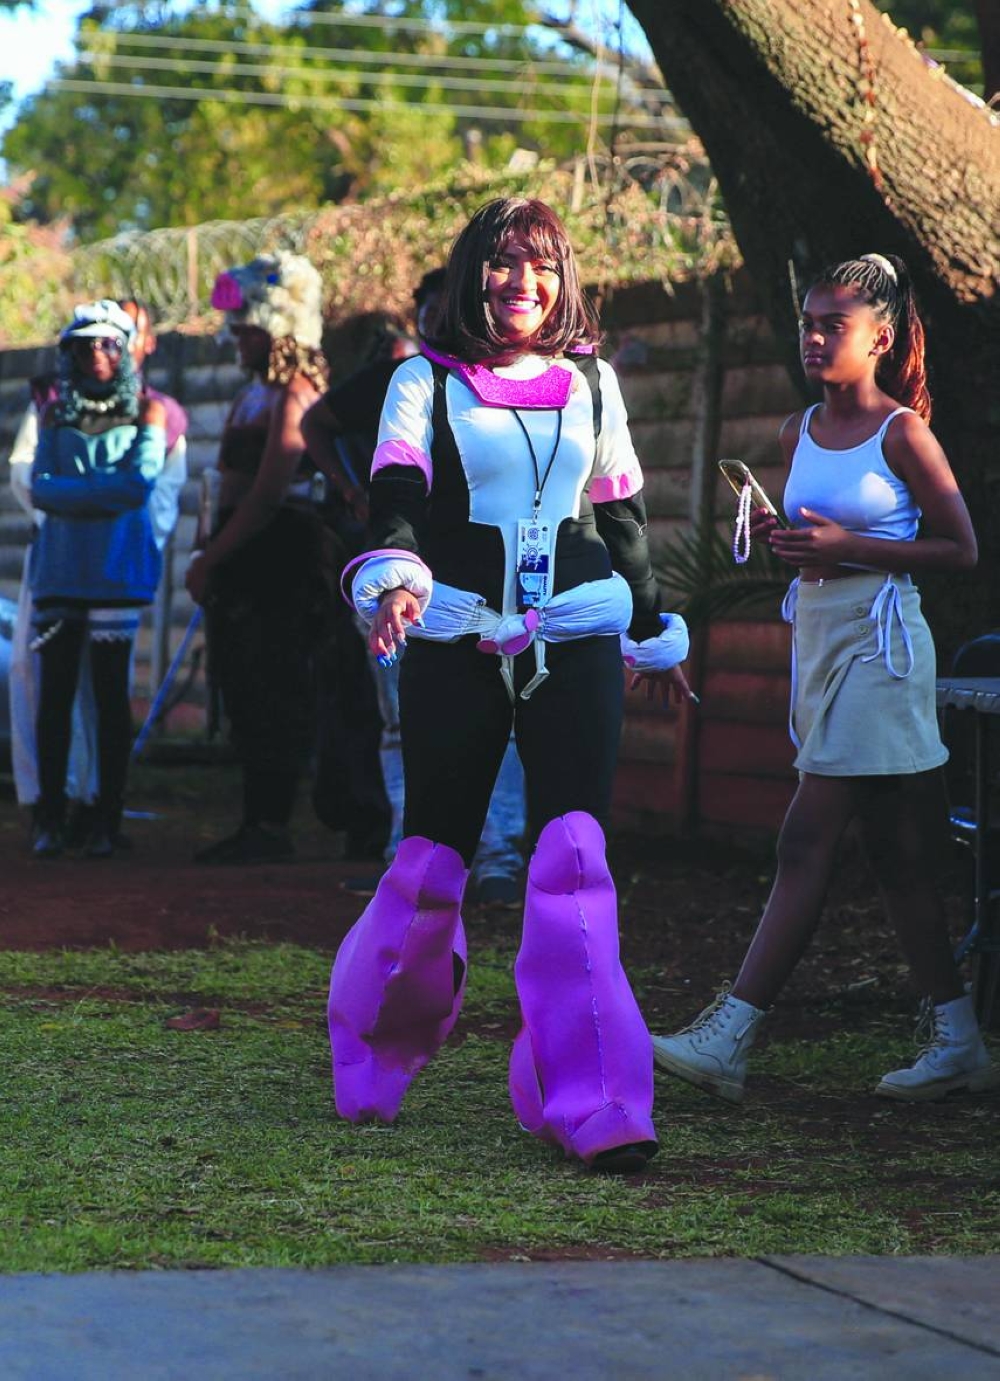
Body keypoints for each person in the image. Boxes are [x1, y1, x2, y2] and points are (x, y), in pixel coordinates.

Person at [327, 197, 693, 1173]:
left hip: (574, 632)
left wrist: (655, 627)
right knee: (432, 862)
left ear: (559, 278)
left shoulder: (592, 384)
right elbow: (394, 500)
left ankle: (593, 1097)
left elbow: (623, 520)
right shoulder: (420, 379)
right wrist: (396, 581)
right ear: (467, 277)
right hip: (455, 634)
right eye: (498, 265)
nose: (517, 284)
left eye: (536, 266)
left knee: (573, 855)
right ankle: (371, 1052)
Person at [652, 252, 998, 1104]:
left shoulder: (903, 433)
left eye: (829, 324)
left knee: (806, 838)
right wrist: (792, 541)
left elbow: (962, 549)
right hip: (819, 638)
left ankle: (730, 1035)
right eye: (807, 322)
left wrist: (850, 549)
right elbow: (818, 536)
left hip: (882, 649)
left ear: (879, 336)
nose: (811, 337)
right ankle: (958, 1040)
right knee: (900, 855)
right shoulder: (795, 431)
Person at [303, 267, 530, 895]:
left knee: (501, 717)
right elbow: (315, 423)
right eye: (430, 310)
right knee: (402, 716)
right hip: (395, 582)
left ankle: (500, 855)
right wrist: (351, 489)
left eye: (453, 307)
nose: (440, 321)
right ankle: (407, 858)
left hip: (489, 585)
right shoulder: (397, 379)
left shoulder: (517, 386)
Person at [187, 252, 332, 864]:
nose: (234, 340)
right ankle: (253, 818)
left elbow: (272, 493)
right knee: (241, 684)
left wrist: (211, 557)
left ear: (279, 330)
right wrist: (210, 548)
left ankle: (271, 822)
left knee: (274, 682)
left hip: (278, 557)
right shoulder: (254, 394)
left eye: (246, 329)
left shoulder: (298, 393)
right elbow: (228, 480)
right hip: (239, 555)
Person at [28, 300, 167, 858]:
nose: (97, 354)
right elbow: (38, 486)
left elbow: (139, 486)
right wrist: (99, 494)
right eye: (85, 345)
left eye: (108, 343)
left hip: (116, 571)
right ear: (70, 352)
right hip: (60, 571)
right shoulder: (53, 411)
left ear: (126, 347)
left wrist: (72, 495)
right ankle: (50, 820)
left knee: (112, 699)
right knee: (54, 698)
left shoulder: (149, 411)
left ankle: (106, 818)